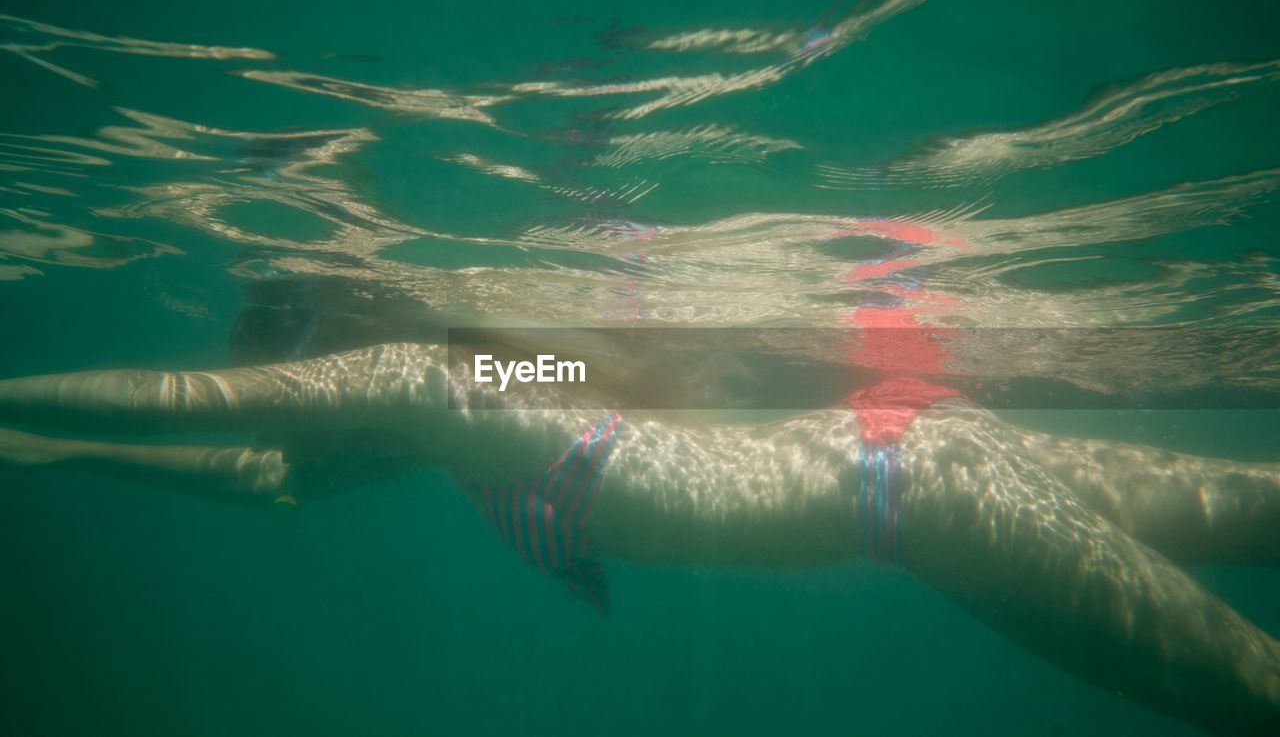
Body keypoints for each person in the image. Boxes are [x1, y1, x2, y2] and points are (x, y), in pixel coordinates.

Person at [0, 337, 1278, 736]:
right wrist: (54, 452)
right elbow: (268, 469)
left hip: (919, 493)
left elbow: (234, 417)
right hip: (917, 455)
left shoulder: (430, 383)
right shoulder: (479, 395)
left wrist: (26, 405)